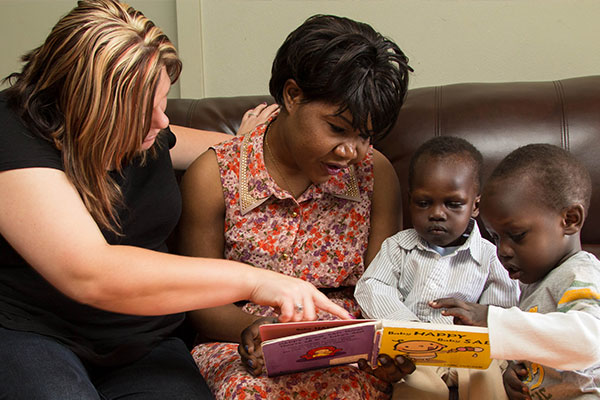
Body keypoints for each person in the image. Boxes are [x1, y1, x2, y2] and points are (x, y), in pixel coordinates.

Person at [0, 1, 352, 399]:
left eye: (162, 100)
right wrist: (257, 282)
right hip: (33, 333)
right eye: (140, 110)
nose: (161, 121)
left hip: (143, 341)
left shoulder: (147, 131)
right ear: (85, 107)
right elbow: (90, 272)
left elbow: (223, 150)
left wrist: (252, 145)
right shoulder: (14, 134)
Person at [176, 14, 414, 400]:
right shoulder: (215, 174)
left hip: (348, 351)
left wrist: (385, 346)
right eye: (338, 129)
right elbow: (202, 303)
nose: (351, 151)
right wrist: (263, 333)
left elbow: (380, 289)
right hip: (242, 343)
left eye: (365, 135)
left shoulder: (375, 174)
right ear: (292, 96)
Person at [355, 136, 520, 400]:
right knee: (416, 384)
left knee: (486, 373)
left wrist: (481, 324)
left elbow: (502, 310)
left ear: (475, 205)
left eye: (453, 204)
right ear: (410, 201)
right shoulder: (397, 247)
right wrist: (408, 328)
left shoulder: (491, 256)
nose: (437, 214)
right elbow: (372, 287)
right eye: (424, 203)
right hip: (415, 351)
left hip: (469, 351)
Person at [432, 143, 600, 400]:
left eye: (517, 235)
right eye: (497, 238)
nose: (504, 251)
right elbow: (540, 342)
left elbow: (588, 343)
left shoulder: (580, 274)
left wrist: (491, 318)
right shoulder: (537, 283)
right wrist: (513, 370)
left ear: (570, 220)